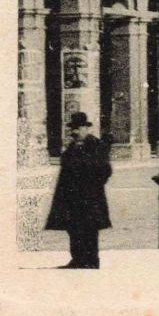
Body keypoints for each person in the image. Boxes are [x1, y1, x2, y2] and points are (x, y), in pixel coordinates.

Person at [45, 111, 112, 269]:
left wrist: (92, 183)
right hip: (71, 197)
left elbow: (105, 170)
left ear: (86, 129)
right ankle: (77, 259)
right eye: (73, 128)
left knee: (90, 229)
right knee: (73, 228)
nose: (75, 132)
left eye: (79, 128)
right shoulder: (71, 148)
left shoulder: (96, 145)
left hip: (91, 197)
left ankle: (91, 261)